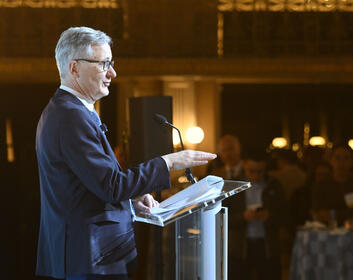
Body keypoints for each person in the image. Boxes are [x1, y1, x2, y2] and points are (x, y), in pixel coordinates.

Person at [35, 27, 216, 280]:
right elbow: (111, 185)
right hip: (88, 259)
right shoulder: (70, 116)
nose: (113, 73)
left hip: (91, 256)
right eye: (103, 64)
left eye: (111, 63)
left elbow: (88, 188)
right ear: (74, 68)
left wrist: (130, 204)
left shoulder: (70, 111)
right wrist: (168, 162)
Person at [229, 151, 287, 280]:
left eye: (260, 171)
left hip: (267, 247)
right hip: (240, 248)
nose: (256, 175)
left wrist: (269, 216)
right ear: (244, 166)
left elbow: (285, 216)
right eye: (252, 171)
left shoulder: (274, 185)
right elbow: (223, 218)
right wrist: (243, 217)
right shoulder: (233, 186)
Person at [311, 144, 353, 225]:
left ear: (352, 162)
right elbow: (318, 211)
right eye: (337, 158)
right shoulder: (322, 185)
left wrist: (334, 214)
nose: (341, 163)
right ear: (331, 161)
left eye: (346, 158)